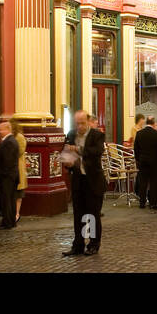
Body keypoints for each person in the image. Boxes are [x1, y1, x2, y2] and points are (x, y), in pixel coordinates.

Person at [62, 110, 107, 256]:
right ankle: (78, 244)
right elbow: (66, 152)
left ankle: (93, 244)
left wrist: (79, 149)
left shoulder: (97, 135)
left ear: (88, 121)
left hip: (93, 181)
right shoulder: (71, 135)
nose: (80, 126)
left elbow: (96, 151)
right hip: (78, 180)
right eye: (77, 123)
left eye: (82, 123)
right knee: (79, 215)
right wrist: (67, 162)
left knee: (92, 214)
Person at [0, 121, 21, 229]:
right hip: (11, 175)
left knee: (7, 200)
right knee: (10, 199)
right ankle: (10, 222)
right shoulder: (10, 141)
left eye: (0, 130)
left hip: (7, 176)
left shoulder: (9, 142)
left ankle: (7, 223)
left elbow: (7, 161)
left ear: (8, 129)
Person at [134, 114, 157, 210]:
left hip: (143, 161)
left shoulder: (139, 133)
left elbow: (136, 149)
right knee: (154, 183)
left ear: (146, 123)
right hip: (154, 162)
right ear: (153, 123)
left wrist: (138, 160)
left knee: (143, 183)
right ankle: (153, 203)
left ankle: (142, 202)